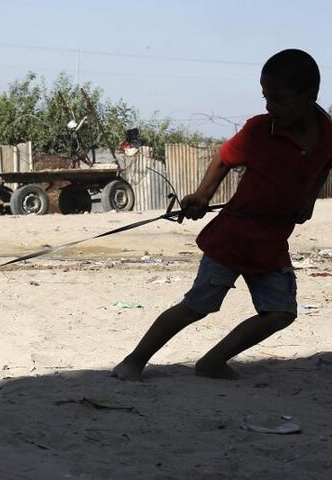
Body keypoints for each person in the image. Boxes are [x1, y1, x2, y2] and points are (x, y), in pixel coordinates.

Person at [114, 49, 332, 381]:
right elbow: (224, 159)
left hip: (271, 243)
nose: (269, 106)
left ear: (309, 96)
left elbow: (323, 165)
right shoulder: (260, 131)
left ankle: (212, 361)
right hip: (232, 238)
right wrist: (202, 197)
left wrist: (310, 200)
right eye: (265, 97)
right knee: (197, 307)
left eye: (279, 98)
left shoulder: (328, 134)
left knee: (280, 313)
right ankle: (133, 360)